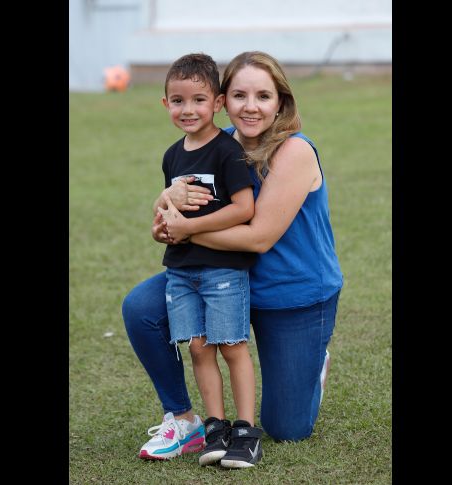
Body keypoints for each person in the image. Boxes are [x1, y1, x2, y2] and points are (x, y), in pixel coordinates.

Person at [124, 50, 342, 462]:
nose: (251, 106)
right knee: (141, 308)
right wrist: (163, 212)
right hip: (218, 275)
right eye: (239, 95)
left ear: (281, 100)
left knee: (287, 429)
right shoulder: (217, 142)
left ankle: (314, 359)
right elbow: (178, 196)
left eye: (263, 95)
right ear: (223, 100)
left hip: (289, 291)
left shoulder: (295, 151)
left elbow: (258, 237)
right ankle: (185, 419)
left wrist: (184, 231)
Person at [137, 53, 263, 469]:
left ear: (218, 103)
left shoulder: (227, 151)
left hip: (223, 271)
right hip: (180, 272)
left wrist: (193, 228)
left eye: (198, 100)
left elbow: (244, 208)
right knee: (198, 348)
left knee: (231, 347)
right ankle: (215, 426)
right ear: (165, 104)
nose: (187, 110)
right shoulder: (172, 156)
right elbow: (169, 215)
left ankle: (245, 431)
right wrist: (164, 225)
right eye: (177, 101)